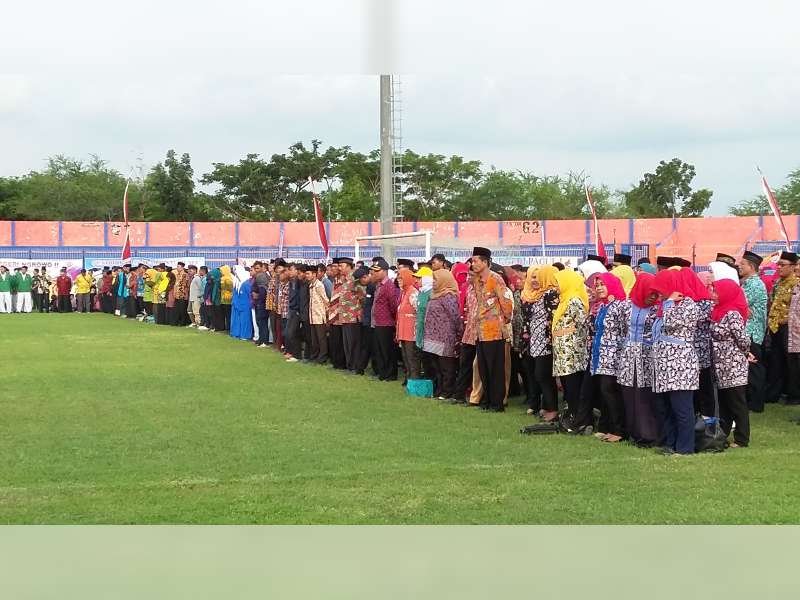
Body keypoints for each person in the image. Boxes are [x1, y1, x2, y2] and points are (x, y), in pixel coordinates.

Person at [650, 269, 701, 455]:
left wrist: (670, 302)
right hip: (664, 366)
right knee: (666, 408)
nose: (659, 294)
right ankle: (671, 444)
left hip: (680, 365)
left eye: (661, 289)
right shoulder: (665, 305)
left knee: (682, 409)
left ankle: (685, 448)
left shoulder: (688, 305)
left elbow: (672, 323)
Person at [617, 272, 660, 447]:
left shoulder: (657, 309)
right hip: (628, 355)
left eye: (655, 294)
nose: (653, 297)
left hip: (647, 355)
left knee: (645, 395)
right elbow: (622, 329)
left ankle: (649, 434)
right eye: (650, 293)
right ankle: (634, 432)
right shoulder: (626, 306)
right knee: (629, 393)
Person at [470, 247, 513, 412]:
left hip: (494, 331)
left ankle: (497, 403)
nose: (473, 264)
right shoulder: (476, 280)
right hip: (480, 331)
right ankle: (486, 400)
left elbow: (506, 303)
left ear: (485, 262)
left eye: (476, 261)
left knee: (496, 369)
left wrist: (504, 320)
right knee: (483, 368)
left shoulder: (496, 279)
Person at [710, 279, 751, 447]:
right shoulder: (717, 311)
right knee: (724, 403)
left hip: (733, 365)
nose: (713, 295)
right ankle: (723, 435)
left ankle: (742, 438)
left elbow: (743, 339)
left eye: (716, 292)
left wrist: (744, 353)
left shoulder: (732, 313)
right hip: (720, 365)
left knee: (736, 402)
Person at [589, 272, 628, 442]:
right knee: (604, 392)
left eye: (602, 284)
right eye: (597, 285)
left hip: (614, 356)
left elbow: (625, 330)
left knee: (610, 391)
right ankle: (607, 427)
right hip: (601, 355)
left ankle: (619, 431)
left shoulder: (620, 305)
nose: (599, 288)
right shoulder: (603, 305)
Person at [552, 269, 590, 429]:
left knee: (573, 386)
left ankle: (578, 418)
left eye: (558, 283)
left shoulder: (574, 300)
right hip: (563, 352)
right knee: (568, 387)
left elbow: (583, 324)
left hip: (572, 353)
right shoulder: (564, 300)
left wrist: (568, 333)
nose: (556, 287)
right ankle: (573, 416)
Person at [520, 265, 559, 420]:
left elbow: (553, 318)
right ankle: (543, 405)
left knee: (542, 374)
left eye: (538, 277)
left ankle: (552, 408)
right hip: (533, 339)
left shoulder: (550, 294)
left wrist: (550, 339)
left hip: (545, 340)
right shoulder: (529, 294)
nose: (535, 280)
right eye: (533, 277)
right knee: (537, 374)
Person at [423, 269, 464, 400]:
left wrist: (459, 333)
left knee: (446, 366)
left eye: (436, 279)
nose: (433, 282)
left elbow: (455, 316)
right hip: (432, 337)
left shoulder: (448, 296)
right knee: (437, 366)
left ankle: (447, 391)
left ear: (444, 280)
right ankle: (440, 389)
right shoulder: (434, 294)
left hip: (445, 337)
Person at [765, 251, 800, 405]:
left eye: (782, 265)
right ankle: (774, 393)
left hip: (790, 328)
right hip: (775, 327)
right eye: (778, 264)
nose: (779, 267)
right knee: (776, 360)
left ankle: (794, 394)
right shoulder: (777, 283)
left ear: (792, 267)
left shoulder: (797, 284)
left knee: (791, 362)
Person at [738, 251, 768, 412]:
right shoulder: (746, 283)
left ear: (751, 266)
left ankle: (756, 404)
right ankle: (751, 401)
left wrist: (742, 308)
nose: (739, 266)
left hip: (752, 332)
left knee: (754, 368)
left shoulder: (755, 284)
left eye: (743, 264)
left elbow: (739, 304)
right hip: (747, 331)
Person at [371, 258, 400, 381]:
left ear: (384, 271)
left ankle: (390, 374)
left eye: (377, 271)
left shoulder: (389, 286)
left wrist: (392, 320)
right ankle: (383, 373)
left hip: (386, 323)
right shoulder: (379, 285)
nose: (374, 273)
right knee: (379, 350)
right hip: (378, 323)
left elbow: (393, 305)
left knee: (387, 350)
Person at [397, 269, 425, 393]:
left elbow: (419, 311)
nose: (399, 281)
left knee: (412, 357)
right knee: (406, 357)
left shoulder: (413, 293)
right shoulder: (404, 293)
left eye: (401, 278)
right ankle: (409, 379)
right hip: (403, 331)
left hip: (411, 332)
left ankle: (414, 380)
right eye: (398, 278)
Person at [338, 258, 364, 371]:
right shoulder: (344, 279)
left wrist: (358, 312)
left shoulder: (355, 279)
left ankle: (356, 366)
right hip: (344, 317)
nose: (340, 268)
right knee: (347, 344)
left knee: (354, 344)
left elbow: (362, 295)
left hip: (353, 316)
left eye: (342, 266)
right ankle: (350, 365)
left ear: (349, 266)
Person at [308, 265, 330, 363]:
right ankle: (315, 356)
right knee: (314, 338)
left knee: (321, 338)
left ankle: (322, 357)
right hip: (312, 316)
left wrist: (327, 315)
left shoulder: (319, 285)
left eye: (308, 274)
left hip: (319, 316)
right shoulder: (311, 285)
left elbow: (325, 300)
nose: (307, 275)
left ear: (314, 274)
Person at [230, 265, 254, 341]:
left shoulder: (246, 283)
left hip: (245, 305)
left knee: (245, 321)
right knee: (237, 320)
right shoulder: (237, 283)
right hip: (237, 304)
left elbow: (250, 295)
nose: (236, 275)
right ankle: (237, 333)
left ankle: (245, 335)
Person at [251, 261, 271, 345]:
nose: (256, 270)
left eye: (258, 268)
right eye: (255, 268)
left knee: (262, 322)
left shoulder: (261, 276)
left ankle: (264, 341)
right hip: (259, 302)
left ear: (262, 268)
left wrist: (258, 297)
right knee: (260, 322)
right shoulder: (259, 276)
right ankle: (261, 339)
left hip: (261, 303)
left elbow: (263, 291)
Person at [173, 262, 190, 326]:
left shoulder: (184, 275)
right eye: (177, 266)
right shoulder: (177, 274)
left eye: (178, 267)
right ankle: (177, 322)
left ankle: (182, 322)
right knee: (177, 309)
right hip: (177, 295)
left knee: (182, 310)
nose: (177, 268)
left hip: (182, 295)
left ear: (182, 267)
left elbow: (185, 285)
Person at [219, 265, 234, 331]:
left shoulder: (228, 279)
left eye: (221, 270)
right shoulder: (224, 278)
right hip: (224, 298)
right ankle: (227, 327)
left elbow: (231, 289)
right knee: (225, 314)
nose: (221, 272)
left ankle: (229, 327)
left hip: (228, 299)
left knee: (228, 314)